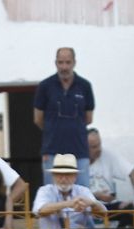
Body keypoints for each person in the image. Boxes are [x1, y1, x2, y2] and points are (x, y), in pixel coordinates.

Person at [33, 47, 94, 187]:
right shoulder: (45, 86)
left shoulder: (85, 86)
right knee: (52, 193)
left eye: (68, 62)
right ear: (55, 63)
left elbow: (89, 118)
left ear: (74, 63)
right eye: (61, 62)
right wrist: (54, 129)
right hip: (52, 151)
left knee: (83, 194)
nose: (64, 67)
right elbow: (38, 119)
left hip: (79, 151)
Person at [85, 128, 134, 212]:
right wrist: (96, 195)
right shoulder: (77, 161)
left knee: (131, 212)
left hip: (110, 205)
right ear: (84, 147)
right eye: (94, 147)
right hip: (87, 206)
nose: (99, 149)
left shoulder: (107, 154)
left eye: (99, 144)